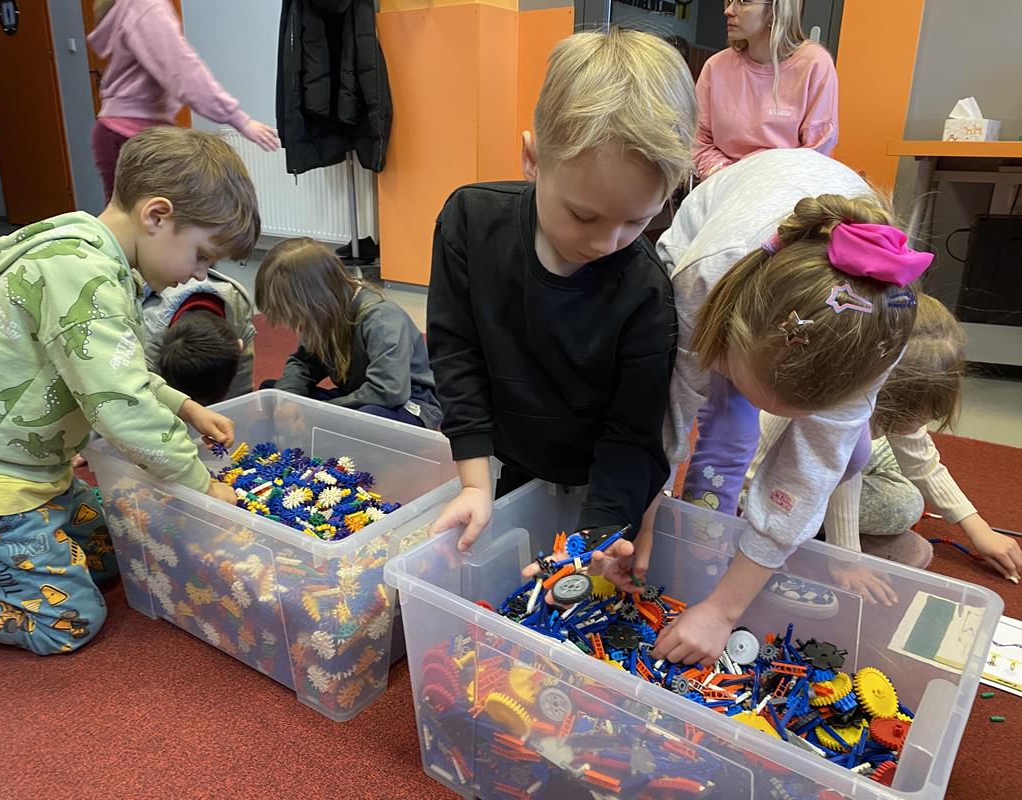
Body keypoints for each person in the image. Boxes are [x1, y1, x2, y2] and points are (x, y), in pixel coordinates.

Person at [0, 127, 256, 654]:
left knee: (121, 547)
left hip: (40, 470)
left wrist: (184, 406)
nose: (197, 277)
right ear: (156, 216)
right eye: (201, 256)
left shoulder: (100, 265)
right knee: (71, 621)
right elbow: (120, 405)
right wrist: (201, 485)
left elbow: (117, 373)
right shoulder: (81, 274)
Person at [631, 148, 932, 665]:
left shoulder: (881, 333)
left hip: (792, 301)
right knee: (724, 426)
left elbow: (812, 471)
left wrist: (723, 611)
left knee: (841, 454)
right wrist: (643, 524)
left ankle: (723, 564)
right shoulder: (699, 282)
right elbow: (666, 421)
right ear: (728, 341)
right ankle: (697, 546)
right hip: (717, 248)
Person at [425, 29, 696, 554]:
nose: (605, 243)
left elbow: (634, 433)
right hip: (507, 457)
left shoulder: (646, 293)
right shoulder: (470, 222)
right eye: (583, 216)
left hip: (598, 479)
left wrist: (598, 533)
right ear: (532, 158)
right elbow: (456, 352)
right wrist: (475, 483)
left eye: (636, 221)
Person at [751, 293, 1022, 606]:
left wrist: (979, 529)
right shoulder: (835, 411)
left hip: (826, 461)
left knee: (899, 473)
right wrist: (846, 561)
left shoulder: (872, 382)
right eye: (914, 413)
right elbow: (840, 480)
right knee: (903, 506)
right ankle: (813, 539)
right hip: (764, 486)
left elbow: (922, 462)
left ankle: (825, 533)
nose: (923, 423)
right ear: (885, 392)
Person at [88, 0, 279, 202]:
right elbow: (182, 70)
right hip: (128, 135)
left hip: (127, 131)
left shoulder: (136, 6)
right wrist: (238, 119)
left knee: (141, 214)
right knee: (152, 215)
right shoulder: (145, 5)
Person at [256, 238, 442, 429]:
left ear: (315, 300)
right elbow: (304, 363)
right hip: (360, 396)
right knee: (273, 393)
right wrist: (287, 399)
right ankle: (318, 427)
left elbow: (388, 391)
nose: (293, 324)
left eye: (295, 315)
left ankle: (319, 429)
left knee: (368, 417)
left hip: (406, 405)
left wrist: (319, 414)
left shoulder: (382, 318)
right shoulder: (322, 315)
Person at [693, 0, 838, 179]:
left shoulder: (815, 64)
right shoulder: (715, 66)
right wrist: (729, 178)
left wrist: (761, 185)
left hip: (786, 187)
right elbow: (698, 142)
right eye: (729, 1)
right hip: (724, 183)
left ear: (775, 10)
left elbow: (816, 153)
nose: (728, 11)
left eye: (743, 2)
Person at [143, 268, 257, 404]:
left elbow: (241, 387)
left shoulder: (238, 307)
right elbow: (146, 394)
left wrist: (237, 407)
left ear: (239, 346)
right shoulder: (148, 340)